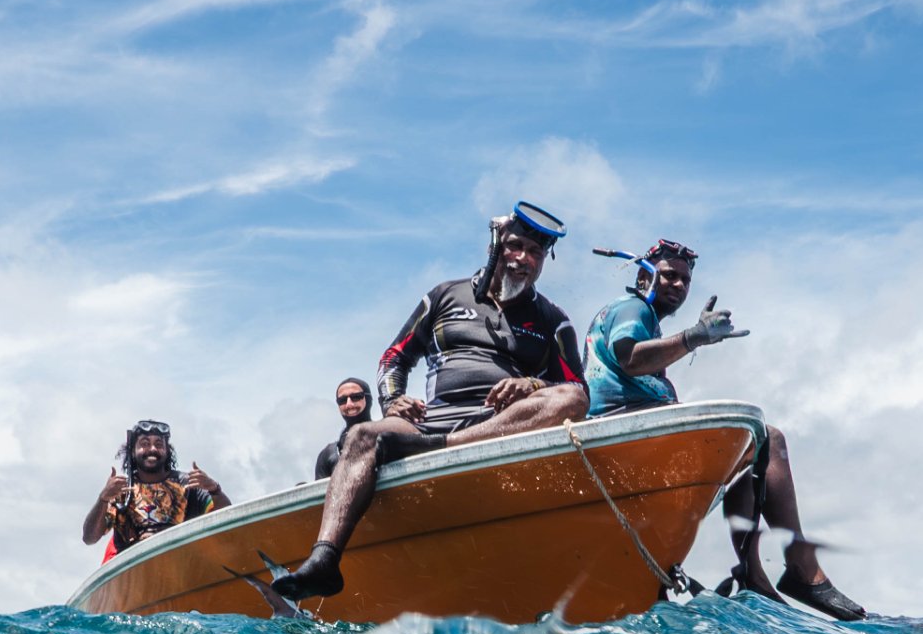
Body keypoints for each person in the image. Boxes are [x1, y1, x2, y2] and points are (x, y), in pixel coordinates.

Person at [267, 203, 588, 600]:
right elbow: (393, 357)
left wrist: (532, 386)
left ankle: (445, 448)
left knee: (568, 396)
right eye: (515, 246)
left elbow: (578, 394)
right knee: (363, 435)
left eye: (534, 253)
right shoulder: (446, 295)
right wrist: (393, 400)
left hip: (498, 427)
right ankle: (324, 560)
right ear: (497, 246)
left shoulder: (552, 320)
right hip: (430, 422)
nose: (522, 259)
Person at [584, 239, 866, 622]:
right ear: (643, 276)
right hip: (623, 440)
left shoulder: (644, 319)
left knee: (744, 449)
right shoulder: (632, 308)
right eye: (668, 275)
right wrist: (693, 337)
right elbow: (629, 358)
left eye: (685, 280)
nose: (678, 286)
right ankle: (796, 566)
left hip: (636, 439)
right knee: (765, 437)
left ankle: (754, 571)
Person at [83, 419, 230, 558]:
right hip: (133, 571)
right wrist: (103, 498)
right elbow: (90, 538)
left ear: (167, 451)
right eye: (145, 444)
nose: (152, 449)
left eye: (159, 444)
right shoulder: (120, 491)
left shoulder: (188, 484)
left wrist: (214, 489)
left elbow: (226, 520)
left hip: (182, 565)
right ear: (132, 451)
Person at [314, 378, 374, 479]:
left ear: (368, 400)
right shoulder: (328, 454)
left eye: (356, 397)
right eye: (342, 400)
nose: (349, 404)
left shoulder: (388, 437)